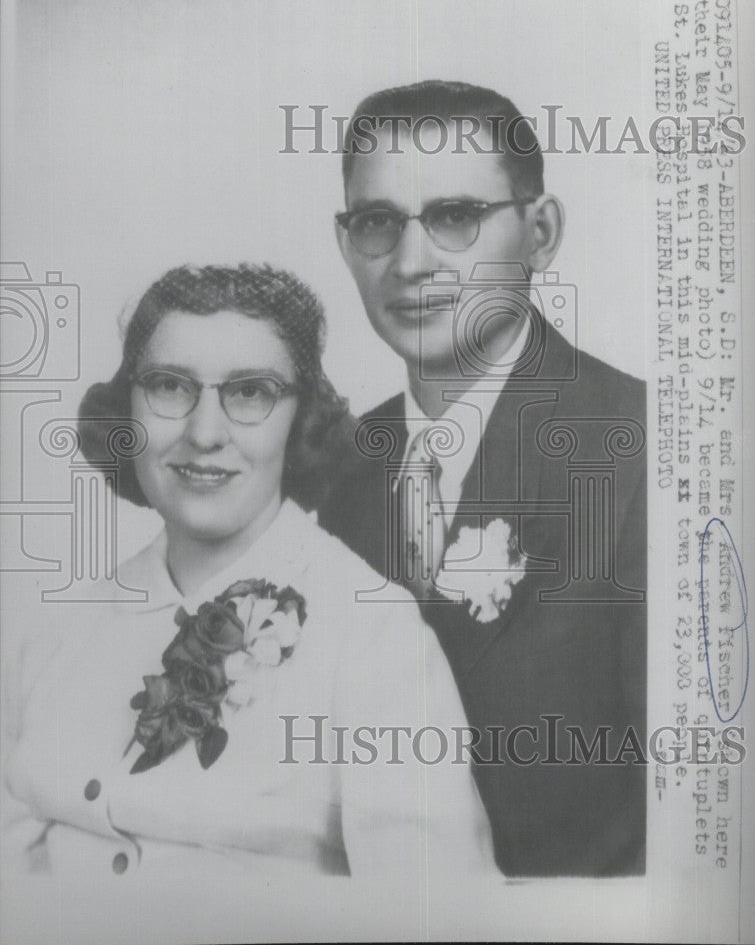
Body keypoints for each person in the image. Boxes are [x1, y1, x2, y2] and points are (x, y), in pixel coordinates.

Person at [2, 264, 493, 909]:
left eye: (251, 393)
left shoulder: (375, 636)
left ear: (303, 419)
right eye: (169, 386)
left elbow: (438, 916)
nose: (204, 434)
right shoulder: (52, 627)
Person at [321, 80, 647, 877]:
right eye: (377, 223)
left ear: (540, 232)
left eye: (456, 217)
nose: (411, 262)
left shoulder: (642, 449)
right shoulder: (328, 471)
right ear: (345, 242)